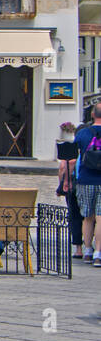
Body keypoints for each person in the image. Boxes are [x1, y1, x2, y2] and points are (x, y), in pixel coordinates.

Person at [75, 101, 101, 266]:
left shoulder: (83, 133)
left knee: (88, 217)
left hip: (85, 178)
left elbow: (73, 155)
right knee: (100, 217)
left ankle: (87, 251)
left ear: (92, 114)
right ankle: (99, 252)